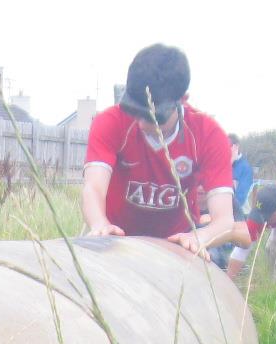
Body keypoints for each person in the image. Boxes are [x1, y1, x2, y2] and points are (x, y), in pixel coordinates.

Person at [80, 44, 239, 258]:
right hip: (116, 238)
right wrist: (100, 224)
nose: (142, 123)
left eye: (153, 117)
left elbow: (225, 220)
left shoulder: (207, 134)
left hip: (175, 244)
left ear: (182, 100)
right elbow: (93, 188)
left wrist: (199, 237)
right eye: (135, 111)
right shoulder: (109, 121)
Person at [229, 134, 255, 218]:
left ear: (236, 146)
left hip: (240, 215)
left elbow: (241, 197)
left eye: (228, 145)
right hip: (222, 213)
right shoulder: (222, 164)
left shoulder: (245, 168)